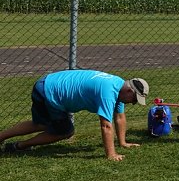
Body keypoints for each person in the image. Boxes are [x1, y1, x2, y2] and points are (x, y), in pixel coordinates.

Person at [0, 69, 148, 161]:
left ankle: (7, 141)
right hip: (50, 92)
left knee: (40, 124)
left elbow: (120, 117)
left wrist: (122, 143)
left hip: (47, 84)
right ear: (129, 91)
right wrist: (111, 154)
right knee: (65, 131)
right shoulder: (108, 92)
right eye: (135, 100)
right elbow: (106, 125)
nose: (133, 103)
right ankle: (19, 146)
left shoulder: (118, 87)